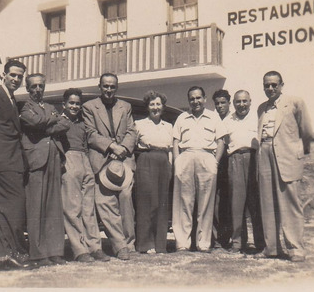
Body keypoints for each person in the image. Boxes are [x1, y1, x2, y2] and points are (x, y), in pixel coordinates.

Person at [0, 59, 37, 271]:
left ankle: (4, 258)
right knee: (13, 211)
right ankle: (15, 255)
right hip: (2, 164)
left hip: (13, 163)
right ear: (4, 74)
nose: (16, 79)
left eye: (20, 76)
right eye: (13, 75)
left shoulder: (12, 99)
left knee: (7, 211)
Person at [256, 71, 312, 262]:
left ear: (281, 85)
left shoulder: (295, 103)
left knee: (289, 203)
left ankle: (296, 248)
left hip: (287, 156)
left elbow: (306, 130)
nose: (270, 88)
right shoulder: (261, 108)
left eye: (274, 85)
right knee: (267, 202)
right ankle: (271, 248)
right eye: (266, 85)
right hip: (264, 152)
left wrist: (299, 154)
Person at [82, 73, 137, 260]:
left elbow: (132, 131)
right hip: (101, 160)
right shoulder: (89, 107)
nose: (109, 90)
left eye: (112, 87)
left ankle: (129, 244)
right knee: (105, 204)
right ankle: (120, 246)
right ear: (99, 86)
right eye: (105, 86)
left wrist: (122, 148)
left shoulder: (126, 107)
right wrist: (111, 146)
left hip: (123, 160)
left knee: (126, 199)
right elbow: (90, 133)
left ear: (117, 88)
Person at [20, 73, 71, 267]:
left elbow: (65, 123)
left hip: (54, 158)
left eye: (41, 86)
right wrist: (50, 121)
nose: (38, 90)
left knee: (53, 206)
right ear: (28, 89)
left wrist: (45, 124)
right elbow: (32, 123)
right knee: (36, 207)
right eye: (33, 87)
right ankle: (38, 253)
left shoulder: (50, 107)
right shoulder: (25, 107)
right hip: (36, 160)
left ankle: (55, 251)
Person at [172, 86, 227, 252]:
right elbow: (175, 141)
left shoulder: (213, 117)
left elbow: (221, 141)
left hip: (206, 157)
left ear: (204, 99)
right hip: (186, 157)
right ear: (189, 100)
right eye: (192, 99)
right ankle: (182, 243)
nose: (195, 101)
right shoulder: (182, 118)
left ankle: (203, 243)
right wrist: (177, 161)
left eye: (198, 98)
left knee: (206, 204)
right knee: (183, 203)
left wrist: (215, 163)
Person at [59, 88, 110, 263]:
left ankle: (95, 247)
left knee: (89, 208)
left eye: (77, 103)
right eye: (71, 103)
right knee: (73, 209)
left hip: (85, 160)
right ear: (64, 104)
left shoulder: (82, 123)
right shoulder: (59, 121)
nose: (74, 106)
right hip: (69, 159)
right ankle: (79, 250)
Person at [224, 90, 265, 253]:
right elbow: (225, 141)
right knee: (236, 202)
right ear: (233, 103)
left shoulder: (257, 117)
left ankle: (260, 242)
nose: (241, 104)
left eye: (244, 101)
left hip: (254, 158)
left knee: (256, 202)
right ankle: (237, 242)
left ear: (250, 101)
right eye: (238, 102)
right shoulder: (228, 120)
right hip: (234, 159)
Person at [134, 90, 173, 254]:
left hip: (164, 162)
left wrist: (170, 167)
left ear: (163, 107)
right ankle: (145, 244)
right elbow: (133, 146)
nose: (155, 107)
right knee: (147, 202)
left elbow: (170, 149)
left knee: (161, 204)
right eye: (152, 104)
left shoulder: (169, 126)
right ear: (147, 107)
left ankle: (160, 245)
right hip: (146, 161)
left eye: (158, 104)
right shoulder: (139, 124)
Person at [211, 89, 233, 250]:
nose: (220, 106)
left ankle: (230, 237)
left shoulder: (233, 119)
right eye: (217, 103)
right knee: (216, 202)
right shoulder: (212, 119)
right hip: (216, 162)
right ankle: (217, 238)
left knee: (231, 201)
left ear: (228, 103)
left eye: (223, 102)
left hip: (231, 162)